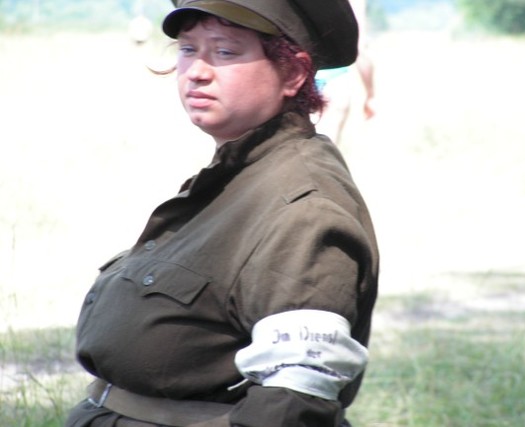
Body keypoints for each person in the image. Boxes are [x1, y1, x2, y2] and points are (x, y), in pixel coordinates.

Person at [65, 0, 379, 426]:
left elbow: (292, 403)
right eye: (188, 49)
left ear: (293, 73)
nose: (196, 71)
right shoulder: (240, 173)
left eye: (226, 51)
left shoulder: (304, 205)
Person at [314, 0, 376, 145]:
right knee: (325, 153)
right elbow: (358, 50)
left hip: (298, 77)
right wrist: (371, 94)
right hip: (333, 81)